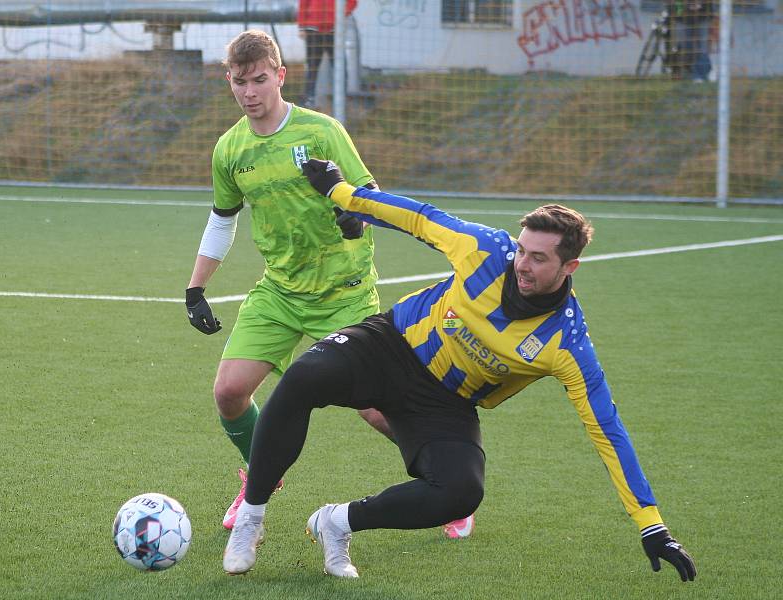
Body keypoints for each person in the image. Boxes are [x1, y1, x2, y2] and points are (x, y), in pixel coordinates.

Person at [221, 159, 697, 582]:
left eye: (538, 258)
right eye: (521, 250)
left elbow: (606, 430)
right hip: (391, 345)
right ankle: (252, 519)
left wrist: (651, 524)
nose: (522, 264)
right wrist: (342, 193)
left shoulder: (566, 342)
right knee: (303, 376)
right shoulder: (487, 249)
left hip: (443, 402)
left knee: (460, 492)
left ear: (569, 266)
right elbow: (418, 217)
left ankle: (336, 522)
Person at [185, 29, 392, 531]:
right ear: (228, 81)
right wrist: (196, 287)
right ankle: (261, 473)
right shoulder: (230, 149)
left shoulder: (321, 131)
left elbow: (371, 195)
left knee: (376, 408)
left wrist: (355, 215)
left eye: (259, 80)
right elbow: (223, 218)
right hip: (279, 291)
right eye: (239, 82)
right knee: (229, 392)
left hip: (343, 293)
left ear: (280, 76)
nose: (250, 92)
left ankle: (448, 485)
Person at [297, 0, 358, 108]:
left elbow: (352, 2)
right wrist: (302, 27)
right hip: (313, 28)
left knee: (340, 65)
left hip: (334, 30)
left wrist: (341, 14)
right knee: (312, 66)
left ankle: (341, 98)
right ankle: (309, 98)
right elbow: (303, 4)